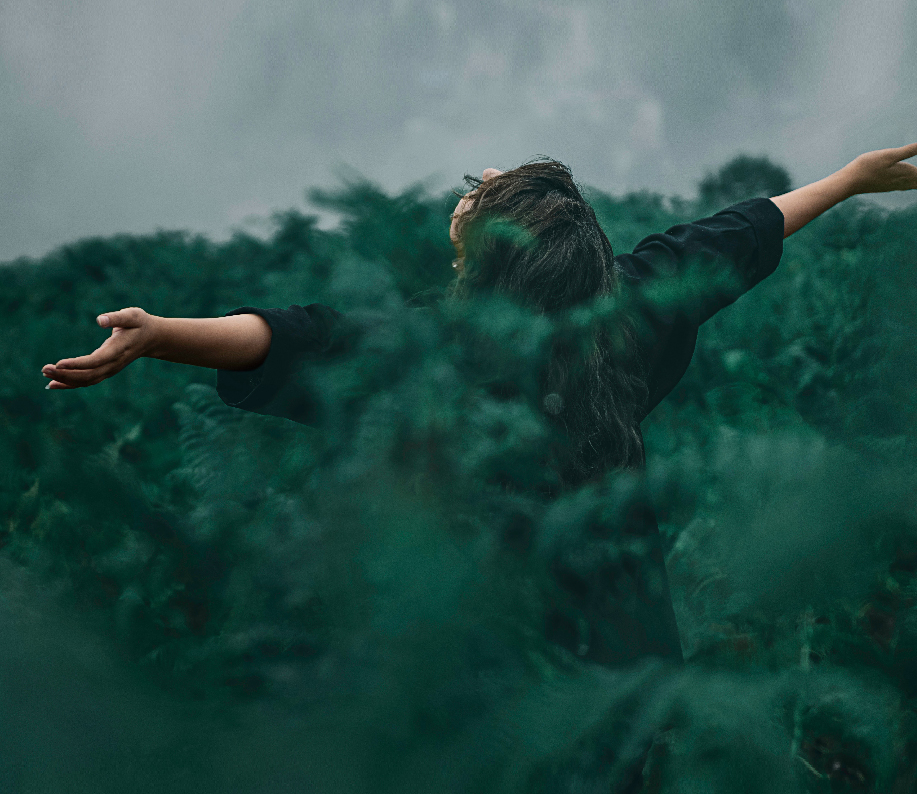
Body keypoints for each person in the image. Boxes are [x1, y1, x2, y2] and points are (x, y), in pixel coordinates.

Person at [41, 144, 917, 667]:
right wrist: (846, 179)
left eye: (483, 188)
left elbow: (299, 337)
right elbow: (737, 234)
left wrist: (160, 334)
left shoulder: (441, 356)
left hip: (496, 658)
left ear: (490, 252)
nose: (480, 177)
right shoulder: (629, 311)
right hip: (626, 640)